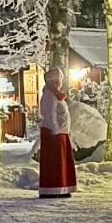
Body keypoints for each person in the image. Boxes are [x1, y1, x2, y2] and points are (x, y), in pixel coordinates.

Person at [38, 67, 77, 198]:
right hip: (53, 134)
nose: (60, 82)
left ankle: (62, 187)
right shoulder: (49, 95)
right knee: (54, 163)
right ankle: (52, 189)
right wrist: (55, 130)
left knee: (62, 162)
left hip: (61, 132)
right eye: (58, 79)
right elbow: (50, 114)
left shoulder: (56, 93)